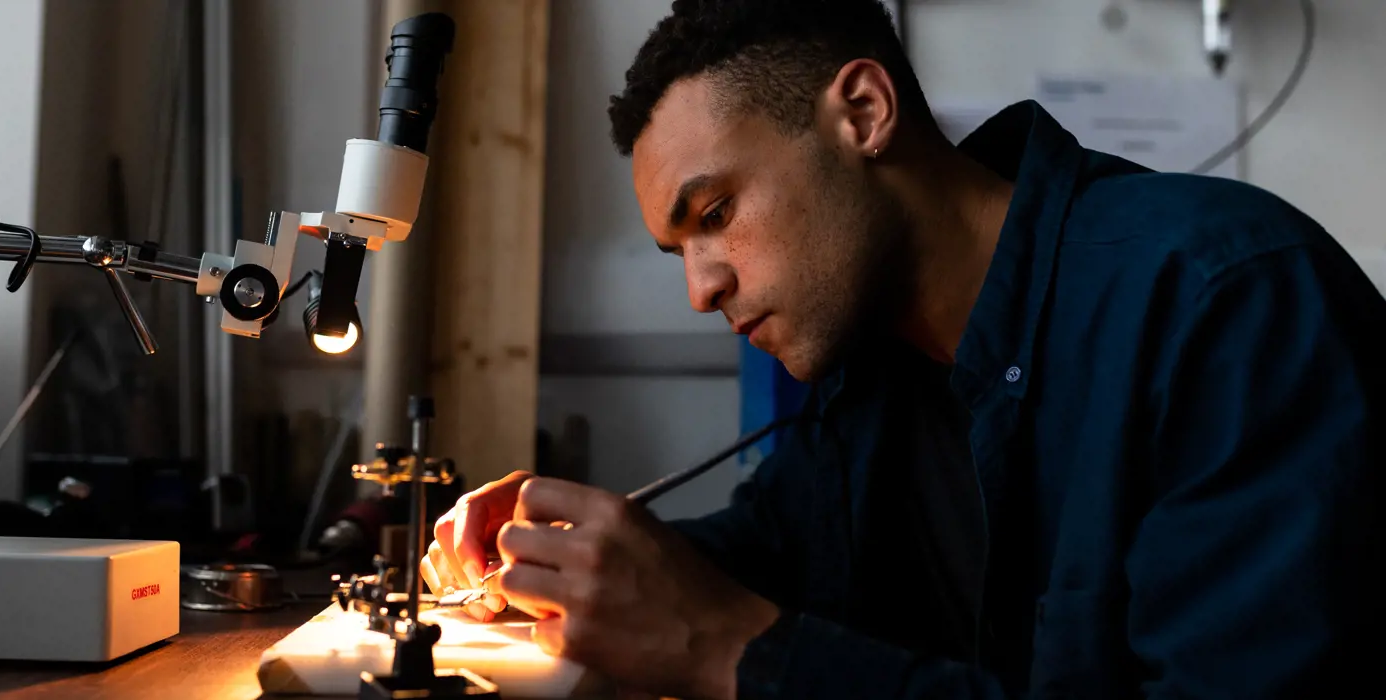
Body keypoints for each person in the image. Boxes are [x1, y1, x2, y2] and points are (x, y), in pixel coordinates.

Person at [421, 0, 1386, 697]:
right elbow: (765, 551)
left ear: (864, 114)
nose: (701, 287)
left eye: (716, 213)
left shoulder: (1227, 301)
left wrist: (731, 650)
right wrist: (562, 564)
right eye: (681, 250)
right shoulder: (870, 373)